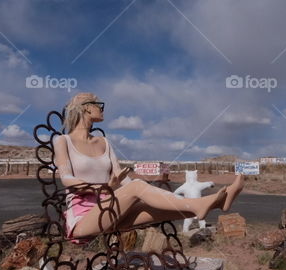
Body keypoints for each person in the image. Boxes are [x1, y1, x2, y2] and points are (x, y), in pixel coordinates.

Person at [52, 92, 245, 243]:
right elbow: (66, 178)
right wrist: (105, 187)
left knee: (155, 203)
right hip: (84, 218)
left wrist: (134, 188)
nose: (102, 109)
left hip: (111, 210)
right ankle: (200, 204)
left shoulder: (105, 142)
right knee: (137, 187)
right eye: (98, 105)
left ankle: (217, 203)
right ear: (85, 108)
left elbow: (122, 178)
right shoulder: (63, 141)